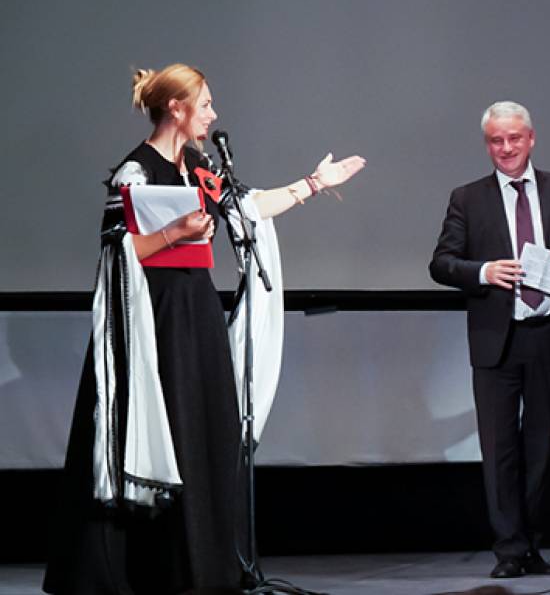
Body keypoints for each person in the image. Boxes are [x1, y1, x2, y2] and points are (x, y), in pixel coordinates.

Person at [43, 63, 365, 595]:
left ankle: (201, 568)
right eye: (206, 104)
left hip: (196, 313)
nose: (213, 114)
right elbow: (118, 250)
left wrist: (313, 184)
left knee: (203, 428)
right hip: (154, 320)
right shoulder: (135, 171)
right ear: (177, 108)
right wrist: (175, 230)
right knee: (167, 425)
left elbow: (249, 208)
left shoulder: (199, 165)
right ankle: (149, 569)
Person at [430, 101, 550, 579]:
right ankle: (509, 550)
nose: (506, 148)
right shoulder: (467, 198)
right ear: (487, 144)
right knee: (499, 450)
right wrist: (483, 271)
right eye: (496, 141)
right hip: (497, 339)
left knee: (541, 446)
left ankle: (531, 545)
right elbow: (441, 263)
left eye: (513, 138)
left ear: (531, 138)